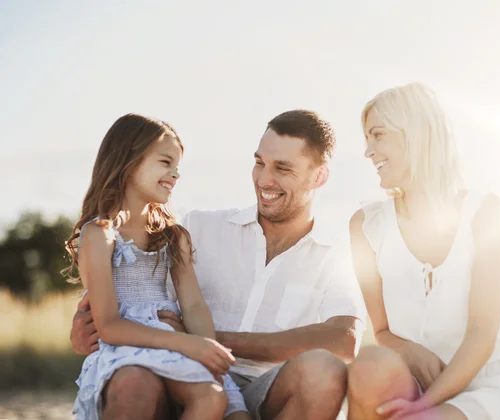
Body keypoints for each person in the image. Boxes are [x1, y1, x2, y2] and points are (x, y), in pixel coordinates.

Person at [70, 109, 367, 420]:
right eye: (259, 163)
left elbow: (344, 340)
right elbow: (130, 307)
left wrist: (207, 343)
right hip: (172, 377)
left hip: (262, 389)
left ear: (318, 176)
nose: (265, 179)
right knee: (135, 384)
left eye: (283, 169)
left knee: (323, 371)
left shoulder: (336, 255)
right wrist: (87, 333)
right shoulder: (197, 227)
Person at [346, 83, 500, 419]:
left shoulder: (485, 212)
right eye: (367, 139)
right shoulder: (366, 226)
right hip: (421, 383)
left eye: (378, 135)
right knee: (370, 366)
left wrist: (425, 406)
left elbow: (482, 332)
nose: (368, 151)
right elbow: (381, 331)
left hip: (497, 381)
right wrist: (409, 350)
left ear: (415, 134)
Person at [65, 114, 249, 420]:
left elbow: (192, 304)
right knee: (133, 392)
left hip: (177, 345)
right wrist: (186, 343)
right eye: (165, 163)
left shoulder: (173, 236)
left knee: (215, 399)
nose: (175, 174)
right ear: (128, 160)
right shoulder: (100, 234)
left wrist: (207, 350)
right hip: (125, 345)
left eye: (177, 167)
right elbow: (108, 326)